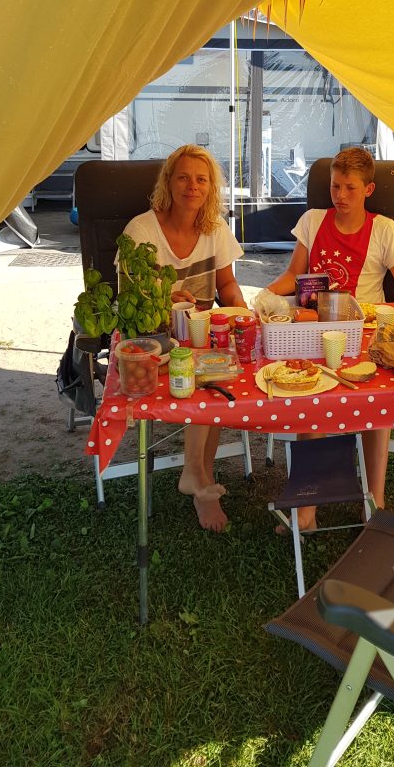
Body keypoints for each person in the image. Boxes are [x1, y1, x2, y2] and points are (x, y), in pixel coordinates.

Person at [267, 146, 394, 529]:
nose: (340, 196)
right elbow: (293, 276)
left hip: (365, 336)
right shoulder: (313, 220)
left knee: (377, 407)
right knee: (312, 403)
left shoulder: (384, 230)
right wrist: (267, 296)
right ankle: (308, 509)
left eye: (350, 188)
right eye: (335, 186)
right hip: (314, 333)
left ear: (368, 189)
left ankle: (374, 501)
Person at [121, 144, 247, 533]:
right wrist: (164, 299)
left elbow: (226, 284)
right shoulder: (141, 230)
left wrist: (243, 316)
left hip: (201, 332)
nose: (193, 186)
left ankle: (200, 478)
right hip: (152, 337)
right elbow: (129, 298)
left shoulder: (215, 229)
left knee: (217, 364)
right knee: (200, 367)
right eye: (184, 177)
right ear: (169, 182)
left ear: (210, 188)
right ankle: (199, 480)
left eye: (202, 179)